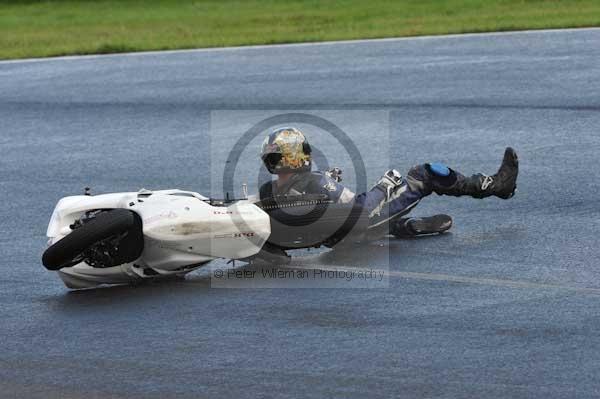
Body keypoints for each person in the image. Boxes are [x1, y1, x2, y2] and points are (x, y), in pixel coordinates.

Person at [259, 126, 518, 239]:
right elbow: (358, 211)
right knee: (425, 173)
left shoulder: (271, 191)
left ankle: (403, 227)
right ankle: (495, 185)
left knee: (380, 210)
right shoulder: (313, 181)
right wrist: (384, 186)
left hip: (336, 235)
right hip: (362, 220)